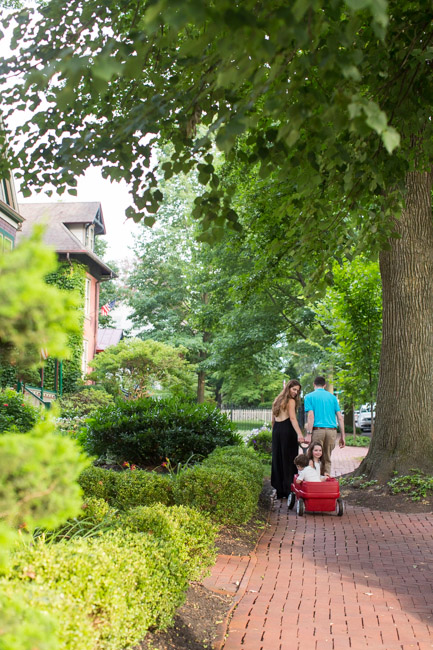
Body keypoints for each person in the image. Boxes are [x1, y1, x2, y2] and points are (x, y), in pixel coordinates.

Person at [304, 376, 345, 475]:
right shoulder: (333, 398)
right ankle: (325, 481)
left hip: (317, 431)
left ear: (314, 384)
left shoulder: (309, 397)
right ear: (325, 385)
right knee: (327, 458)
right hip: (332, 432)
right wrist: (343, 436)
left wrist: (309, 434)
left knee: (315, 456)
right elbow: (340, 417)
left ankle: (314, 481)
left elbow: (311, 416)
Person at [271, 379, 305, 499]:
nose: (296, 392)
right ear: (288, 388)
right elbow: (292, 418)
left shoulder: (277, 400)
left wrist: (275, 431)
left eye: (298, 391)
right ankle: (288, 489)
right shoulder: (290, 401)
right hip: (287, 430)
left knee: (278, 458)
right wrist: (300, 434)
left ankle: (279, 490)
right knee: (289, 459)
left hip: (276, 430)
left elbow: (273, 419)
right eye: (294, 389)